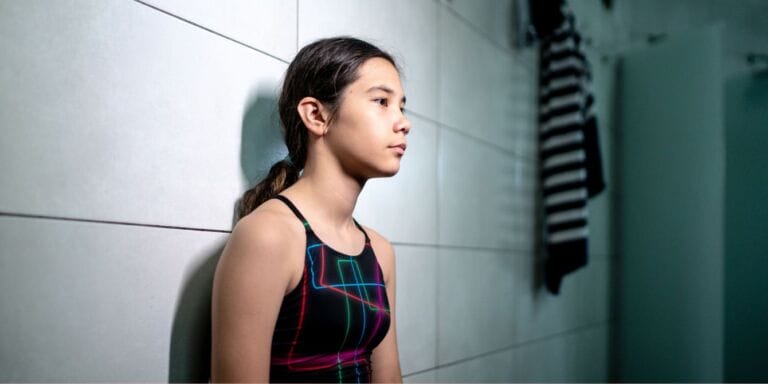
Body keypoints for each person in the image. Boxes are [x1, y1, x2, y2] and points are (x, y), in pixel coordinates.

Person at [211, 36, 411, 383]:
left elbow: (388, 377)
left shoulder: (380, 251)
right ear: (317, 115)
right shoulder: (268, 236)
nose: (402, 122)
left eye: (401, 107)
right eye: (381, 101)